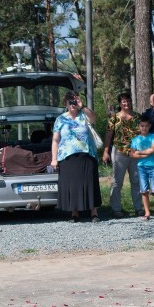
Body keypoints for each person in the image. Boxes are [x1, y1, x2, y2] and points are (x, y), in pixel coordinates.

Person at [51, 91, 101, 223]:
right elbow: (55, 140)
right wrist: (54, 159)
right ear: (65, 104)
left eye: (74, 101)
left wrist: (82, 105)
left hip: (87, 154)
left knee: (90, 183)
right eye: (69, 101)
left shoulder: (84, 115)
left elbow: (94, 118)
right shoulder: (60, 119)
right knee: (72, 185)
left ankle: (94, 212)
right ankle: (75, 212)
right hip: (68, 156)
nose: (72, 103)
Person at [102, 92, 143, 218]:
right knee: (117, 181)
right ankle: (116, 208)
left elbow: (143, 133)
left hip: (135, 152)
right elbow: (109, 134)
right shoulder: (114, 118)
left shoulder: (137, 116)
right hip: (119, 152)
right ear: (120, 104)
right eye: (123, 101)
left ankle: (138, 208)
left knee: (136, 181)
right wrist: (106, 151)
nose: (126, 103)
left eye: (128, 100)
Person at [130, 115, 154, 221]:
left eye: (146, 126)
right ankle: (147, 212)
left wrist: (139, 152)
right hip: (141, 167)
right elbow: (132, 155)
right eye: (142, 126)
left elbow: (152, 150)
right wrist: (144, 154)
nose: (144, 128)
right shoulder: (135, 139)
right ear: (138, 127)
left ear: (149, 126)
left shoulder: (153, 136)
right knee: (144, 190)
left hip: (153, 166)